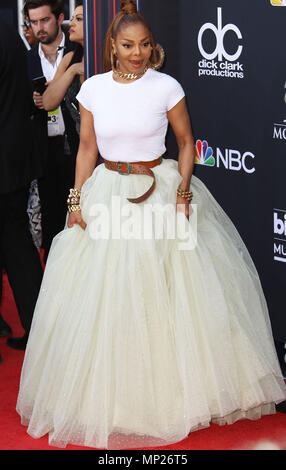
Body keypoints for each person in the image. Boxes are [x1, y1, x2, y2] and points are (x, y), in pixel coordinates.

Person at [16, 0, 286, 450]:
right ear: (113, 47)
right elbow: (86, 150)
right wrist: (76, 199)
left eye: (144, 44)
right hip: (107, 191)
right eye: (128, 45)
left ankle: (173, 395)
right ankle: (118, 400)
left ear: (152, 47)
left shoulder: (167, 87)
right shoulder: (95, 89)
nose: (137, 52)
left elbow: (184, 143)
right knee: (108, 299)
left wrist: (182, 192)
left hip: (159, 190)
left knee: (168, 297)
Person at [0, 18, 43, 352]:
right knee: (17, 246)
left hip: (6, 162)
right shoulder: (8, 32)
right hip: (12, 161)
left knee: (16, 247)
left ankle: (39, 330)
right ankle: (39, 329)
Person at [24, 0, 76, 264]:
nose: (39, 28)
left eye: (44, 20)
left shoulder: (79, 51)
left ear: (60, 18)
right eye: (33, 22)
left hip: (78, 148)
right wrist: (32, 104)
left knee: (80, 221)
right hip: (44, 153)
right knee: (52, 225)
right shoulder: (28, 59)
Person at [43, 1, 84, 154]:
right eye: (72, 18)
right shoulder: (69, 60)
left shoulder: (110, 60)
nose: (71, 23)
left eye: (78, 19)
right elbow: (48, 102)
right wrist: (72, 70)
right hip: (76, 148)